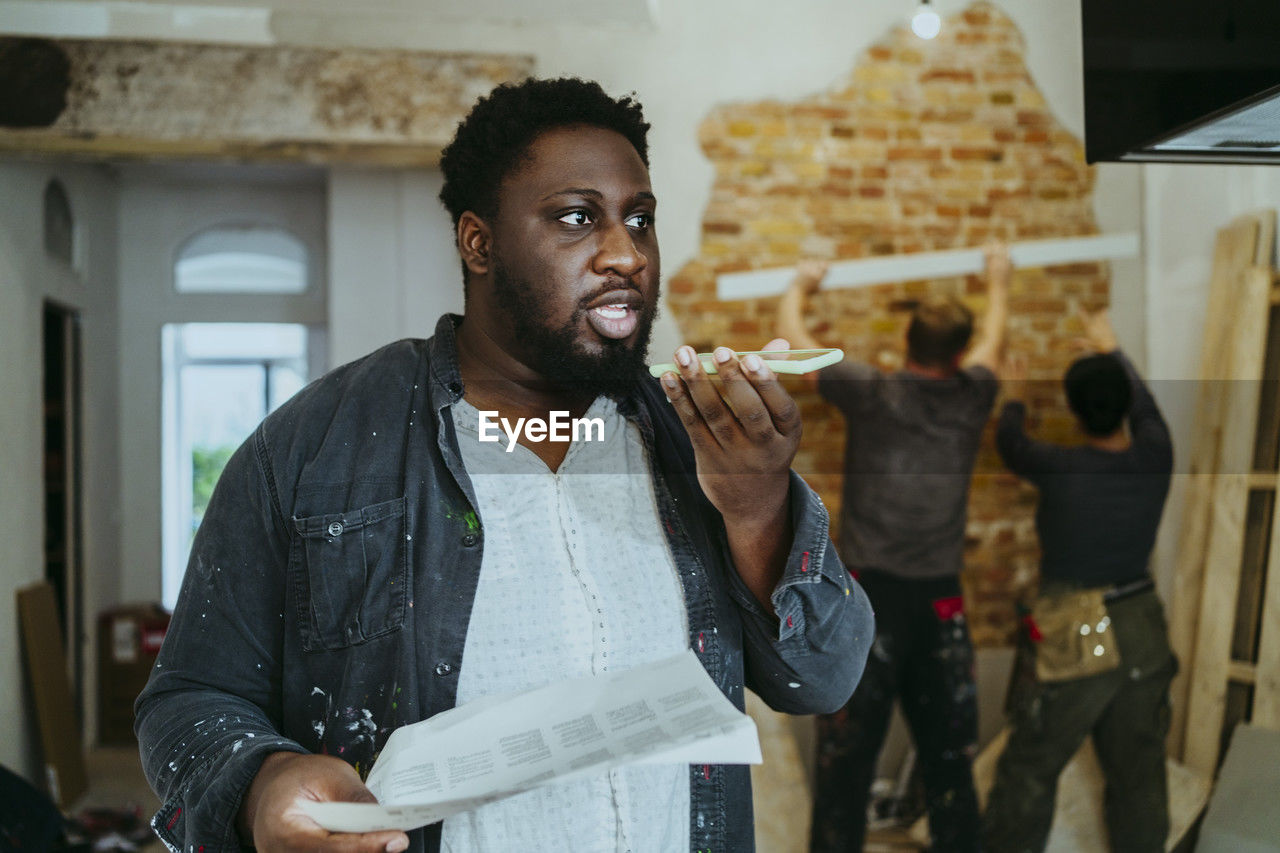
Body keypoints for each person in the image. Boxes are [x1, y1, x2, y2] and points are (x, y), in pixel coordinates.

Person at [134, 77, 874, 853]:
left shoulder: (695, 443)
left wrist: (757, 506)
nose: (626, 253)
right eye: (578, 217)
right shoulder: (311, 448)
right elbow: (189, 698)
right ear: (478, 242)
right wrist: (260, 781)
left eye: (641, 219)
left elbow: (822, 677)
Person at [776, 245, 1010, 852]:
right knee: (950, 766)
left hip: (866, 606)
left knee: (844, 765)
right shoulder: (973, 395)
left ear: (906, 340)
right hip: (939, 607)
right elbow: (993, 345)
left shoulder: (873, 391)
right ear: (957, 354)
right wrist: (999, 283)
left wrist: (800, 287)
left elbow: (794, 346)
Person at [981, 310, 1175, 853]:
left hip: (1075, 626)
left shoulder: (1058, 466)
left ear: (1070, 409)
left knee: (1030, 767)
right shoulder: (1156, 455)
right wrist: (1113, 349)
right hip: (1141, 620)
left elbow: (1011, 441)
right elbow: (1147, 408)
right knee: (1139, 776)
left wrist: (1015, 395)